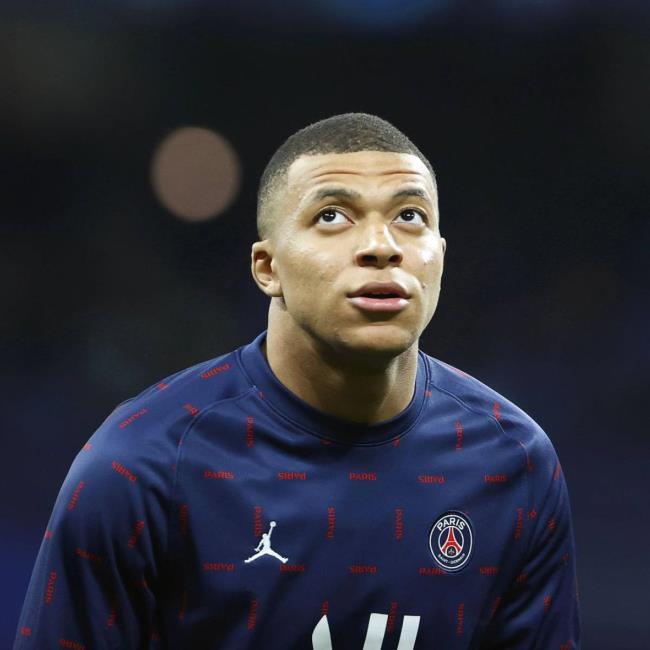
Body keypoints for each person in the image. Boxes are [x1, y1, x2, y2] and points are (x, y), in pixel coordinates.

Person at [13, 113, 581, 649]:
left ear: (441, 256)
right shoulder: (141, 464)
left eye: (410, 216)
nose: (381, 247)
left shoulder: (514, 462)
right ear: (268, 268)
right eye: (332, 216)